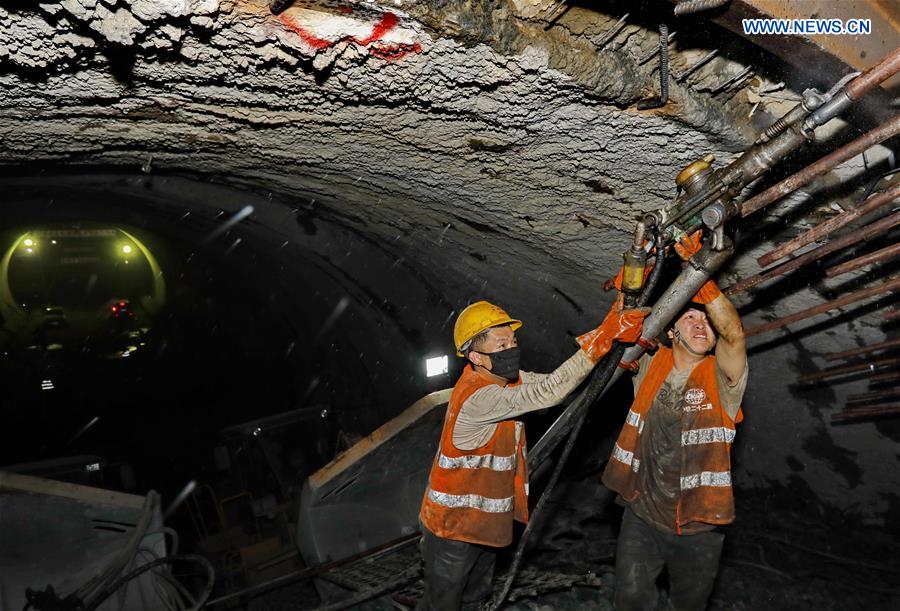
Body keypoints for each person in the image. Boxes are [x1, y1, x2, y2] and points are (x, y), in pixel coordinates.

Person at [417, 298, 650, 610]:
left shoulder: (507, 381)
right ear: (477, 357)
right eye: (502, 343)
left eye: (513, 341)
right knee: (441, 605)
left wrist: (612, 363)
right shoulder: (479, 397)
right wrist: (604, 338)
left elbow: (561, 385)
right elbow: (549, 391)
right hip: (451, 530)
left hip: (484, 525)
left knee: (475, 599)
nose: (512, 347)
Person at [604, 236, 748, 610]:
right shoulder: (651, 363)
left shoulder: (722, 378)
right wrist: (631, 282)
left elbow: (733, 334)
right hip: (642, 516)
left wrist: (702, 276)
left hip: (698, 528)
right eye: (690, 317)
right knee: (630, 601)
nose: (703, 326)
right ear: (671, 331)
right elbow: (623, 330)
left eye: (706, 321)